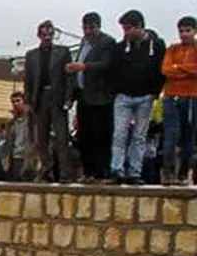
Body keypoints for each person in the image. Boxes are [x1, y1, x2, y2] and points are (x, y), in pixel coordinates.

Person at [109, 10, 166, 185]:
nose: (126, 33)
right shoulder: (120, 48)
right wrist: (115, 90)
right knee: (120, 134)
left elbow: (161, 70)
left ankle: (135, 172)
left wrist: (155, 92)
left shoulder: (157, 46)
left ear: (139, 26)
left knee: (139, 136)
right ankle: (117, 169)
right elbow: (113, 70)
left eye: (128, 29)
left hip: (145, 97)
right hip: (123, 97)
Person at [66, 12, 117, 183]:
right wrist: (72, 95)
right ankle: (88, 172)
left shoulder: (107, 42)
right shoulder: (83, 43)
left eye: (91, 28)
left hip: (100, 98)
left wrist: (84, 66)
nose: (88, 31)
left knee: (100, 136)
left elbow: (106, 65)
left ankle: (101, 172)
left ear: (98, 27)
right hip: (83, 96)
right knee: (84, 136)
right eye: (85, 28)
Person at [23, 20, 74, 182]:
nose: (47, 37)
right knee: (41, 139)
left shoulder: (63, 52)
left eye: (50, 34)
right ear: (39, 35)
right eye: (44, 34)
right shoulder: (31, 55)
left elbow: (69, 77)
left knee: (61, 137)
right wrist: (27, 101)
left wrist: (69, 97)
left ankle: (64, 173)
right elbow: (28, 80)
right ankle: (47, 170)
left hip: (57, 98)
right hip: (40, 99)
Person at [161, 15, 197, 186]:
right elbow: (166, 70)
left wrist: (178, 68)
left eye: (187, 31)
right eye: (181, 31)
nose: (184, 34)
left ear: (194, 31)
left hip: (192, 96)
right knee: (171, 134)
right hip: (171, 96)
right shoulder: (172, 49)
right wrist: (188, 71)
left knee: (189, 136)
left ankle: (183, 174)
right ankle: (167, 171)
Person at [0, 92, 36, 182]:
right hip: (16, 158)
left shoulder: (33, 122)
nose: (15, 104)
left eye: (18, 101)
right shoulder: (11, 124)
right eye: (13, 102)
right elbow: (7, 142)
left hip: (29, 158)